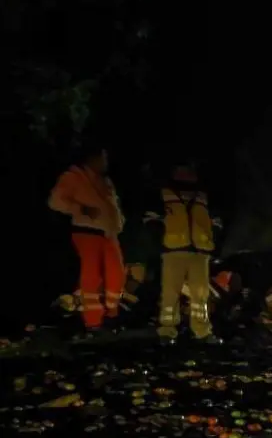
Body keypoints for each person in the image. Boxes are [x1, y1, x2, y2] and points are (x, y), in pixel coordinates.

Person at [47, 144, 126, 336]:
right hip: (86, 232)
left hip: (108, 234)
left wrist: (119, 223)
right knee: (91, 278)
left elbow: (112, 206)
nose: (106, 162)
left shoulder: (105, 181)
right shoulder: (73, 177)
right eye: (103, 158)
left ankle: (111, 314)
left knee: (117, 275)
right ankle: (93, 321)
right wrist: (80, 209)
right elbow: (55, 201)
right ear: (92, 159)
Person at [144, 163, 222, 344]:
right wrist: (160, 243)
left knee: (200, 295)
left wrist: (212, 242)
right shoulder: (163, 195)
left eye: (190, 171)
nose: (188, 175)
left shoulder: (203, 196)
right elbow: (151, 222)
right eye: (184, 171)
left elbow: (217, 223)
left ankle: (202, 331)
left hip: (200, 252)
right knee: (170, 293)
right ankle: (167, 331)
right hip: (173, 250)